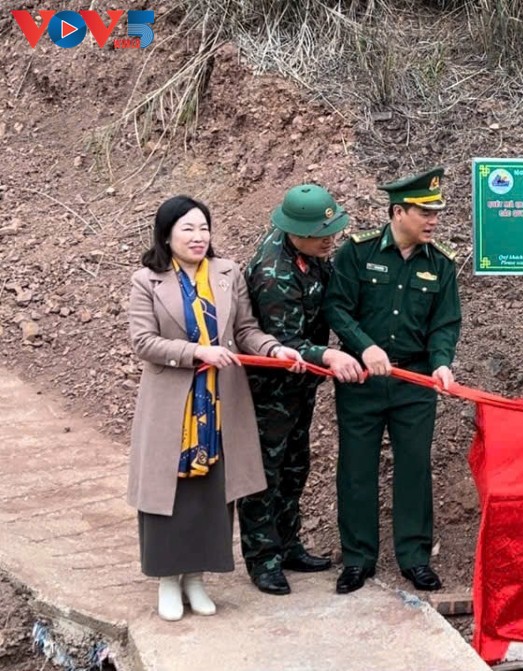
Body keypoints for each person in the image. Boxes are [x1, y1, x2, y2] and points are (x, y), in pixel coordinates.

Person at [127, 195, 302, 621]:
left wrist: (274, 349)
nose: (198, 236)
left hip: (221, 401)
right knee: (168, 493)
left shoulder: (227, 273)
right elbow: (143, 342)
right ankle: (168, 580)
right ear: (166, 235)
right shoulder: (147, 280)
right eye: (187, 228)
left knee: (212, 492)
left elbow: (245, 330)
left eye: (203, 227)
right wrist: (196, 352)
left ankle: (196, 579)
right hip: (172, 404)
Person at [324, 167, 461, 594]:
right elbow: (337, 308)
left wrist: (441, 363)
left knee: (414, 468)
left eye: (436, 212)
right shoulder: (357, 253)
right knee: (356, 468)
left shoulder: (441, 264)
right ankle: (357, 559)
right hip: (362, 379)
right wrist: (364, 346)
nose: (433, 220)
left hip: (415, 381)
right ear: (398, 212)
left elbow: (445, 323)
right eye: (425, 212)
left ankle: (415, 558)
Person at [238, 184, 365, 596]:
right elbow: (284, 341)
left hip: (300, 387)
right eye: (321, 234)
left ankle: (288, 544)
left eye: (332, 230)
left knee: (294, 466)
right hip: (270, 394)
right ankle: (263, 560)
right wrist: (329, 355)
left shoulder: (312, 255)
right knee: (264, 474)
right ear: (295, 232)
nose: (331, 240)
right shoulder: (273, 273)